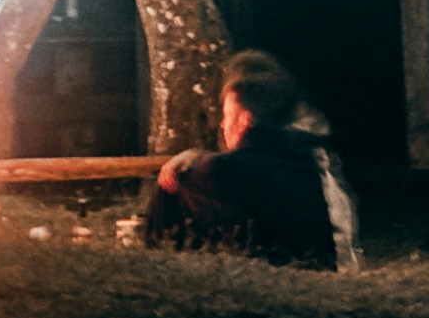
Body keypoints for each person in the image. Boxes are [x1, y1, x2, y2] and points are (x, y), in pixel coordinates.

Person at [139, 46, 359, 268]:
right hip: (327, 262)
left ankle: (158, 262)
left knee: (172, 185)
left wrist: (188, 166)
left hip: (287, 267)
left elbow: (221, 169)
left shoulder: (228, 170)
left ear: (245, 120)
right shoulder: (306, 156)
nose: (223, 125)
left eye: (227, 116)